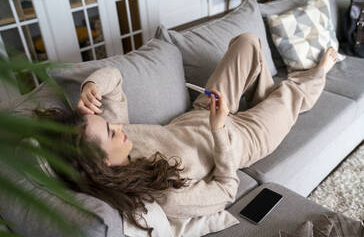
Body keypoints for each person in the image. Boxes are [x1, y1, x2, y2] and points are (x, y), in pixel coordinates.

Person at [42, 33, 338, 235]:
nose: (118, 126)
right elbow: (226, 190)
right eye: (110, 131)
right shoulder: (164, 193)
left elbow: (115, 79)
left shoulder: (120, 140)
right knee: (289, 93)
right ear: (102, 163)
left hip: (203, 108)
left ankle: (262, 97)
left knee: (247, 43)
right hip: (241, 139)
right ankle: (320, 72)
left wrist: (90, 86)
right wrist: (219, 129)